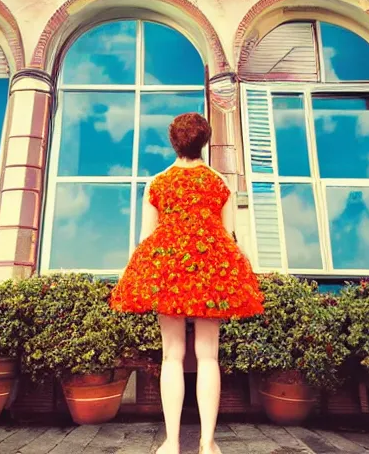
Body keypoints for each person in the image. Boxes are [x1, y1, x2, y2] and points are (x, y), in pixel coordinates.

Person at [111, 113, 264, 454]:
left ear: (174, 141)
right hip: (213, 270)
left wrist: (129, 269)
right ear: (204, 141)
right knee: (208, 357)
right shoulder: (219, 182)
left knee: (172, 356)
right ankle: (208, 443)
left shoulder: (158, 182)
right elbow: (229, 236)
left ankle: (172, 442)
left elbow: (145, 237)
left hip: (168, 270)